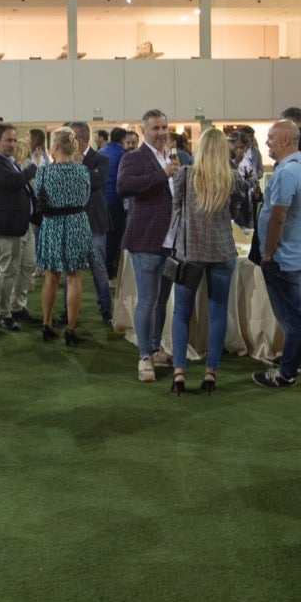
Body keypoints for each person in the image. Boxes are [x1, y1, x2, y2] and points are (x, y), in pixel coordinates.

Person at [166, 127, 238, 394]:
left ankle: (179, 373)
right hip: (222, 252)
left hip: (190, 252)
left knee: (181, 313)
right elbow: (236, 210)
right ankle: (210, 373)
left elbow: (176, 206)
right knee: (217, 313)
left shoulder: (185, 175)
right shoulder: (231, 178)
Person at [117, 109, 179, 381]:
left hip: (171, 241)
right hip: (145, 239)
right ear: (144, 131)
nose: (161, 132)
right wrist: (162, 174)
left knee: (162, 300)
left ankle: (154, 349)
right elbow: (123, 186)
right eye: (155, 128)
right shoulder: (134, 157)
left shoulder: (174, 157)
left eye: (164, 127)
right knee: (147, 300)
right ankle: (144, 356)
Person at [252, 121, 301, 388]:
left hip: (282, 257)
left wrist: (267, 253)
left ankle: (287, 372)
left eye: (271, 137)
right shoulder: (299, 167)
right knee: (294, 313)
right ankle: (292, 360)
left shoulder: (288, 172)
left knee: (291, 317)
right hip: (292, 253)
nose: (267, 142)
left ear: (286, 140)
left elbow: (278, 216)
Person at [34, 127, 93, 346]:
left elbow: (39, 197)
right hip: (77, 223)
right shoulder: (82, 171)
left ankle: (47, 324)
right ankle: (70, 329)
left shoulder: (43, 173)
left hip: (52, 225)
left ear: (56, 146)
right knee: (74, 278)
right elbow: (86, 197)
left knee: (51, 277)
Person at [0, 122, 38, 331]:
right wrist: (31, 169)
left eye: (15, 140)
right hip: (4, 228)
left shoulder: (9, 161)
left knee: (27, 267)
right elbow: (13, 182)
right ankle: (3, 313)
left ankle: (17, 307)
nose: (13, 144)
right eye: (8, 140)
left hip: (22, 226)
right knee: (8, 271)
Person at [66, 121, 112, 325]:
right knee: (71, 270)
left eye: (71, 137)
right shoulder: (64, 159)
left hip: (94, 222)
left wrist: (78, 166)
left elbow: (97, 182)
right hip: (72, 222)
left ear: (82, 138)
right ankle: (68, 312)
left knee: (99, 268)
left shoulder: (101, 159)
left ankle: (106, 310)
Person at [99, 127, 128, 278]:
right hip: (115, 200)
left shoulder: (101, 151)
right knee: (113, 237)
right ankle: (109, 271)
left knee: (102, 236)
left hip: (100, 199)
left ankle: (101, 268)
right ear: (123, 139)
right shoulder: (122, 154)